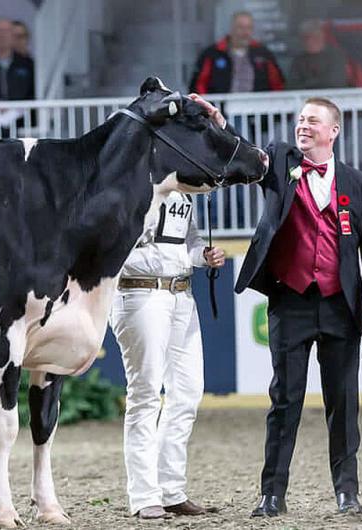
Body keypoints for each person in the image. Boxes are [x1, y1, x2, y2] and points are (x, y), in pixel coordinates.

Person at [192, 93, 362, 518]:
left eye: (313, 121)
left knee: (343, 403)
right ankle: (272, 494)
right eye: (301, 119)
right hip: (290, 299)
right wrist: (218, 121)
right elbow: (244, 153)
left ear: (333, 131)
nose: (303, 126)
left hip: (341, 306)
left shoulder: (358, 184)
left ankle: (346, 492)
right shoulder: (281, 162)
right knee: (285, 401)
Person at [110, 190, 225, 519]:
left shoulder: (185, 192)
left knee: (187, 392)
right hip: (139, 291)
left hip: (180, 293)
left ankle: (171, 489)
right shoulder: (131, 180)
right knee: (146, 393)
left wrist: (203, 254)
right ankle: (144, 494)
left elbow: (186, 239)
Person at [189, 11, 284, 94]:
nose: (245, 32)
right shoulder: (213, 53)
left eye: (249, 28)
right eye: (241, 27)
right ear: (232, 28)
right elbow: (199, 84)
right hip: (220, 111)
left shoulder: (263, 54)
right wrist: (207, 109)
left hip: (258, 111)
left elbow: (277, 84)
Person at [288, 20, 349, 90]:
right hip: (304, 98)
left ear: (322, 37)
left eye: (314, 37)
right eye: (305, 38)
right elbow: (292, 85)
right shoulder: (299, 60)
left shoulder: (336, 56)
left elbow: (334, 82)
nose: (309, 41)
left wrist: (307, 83)